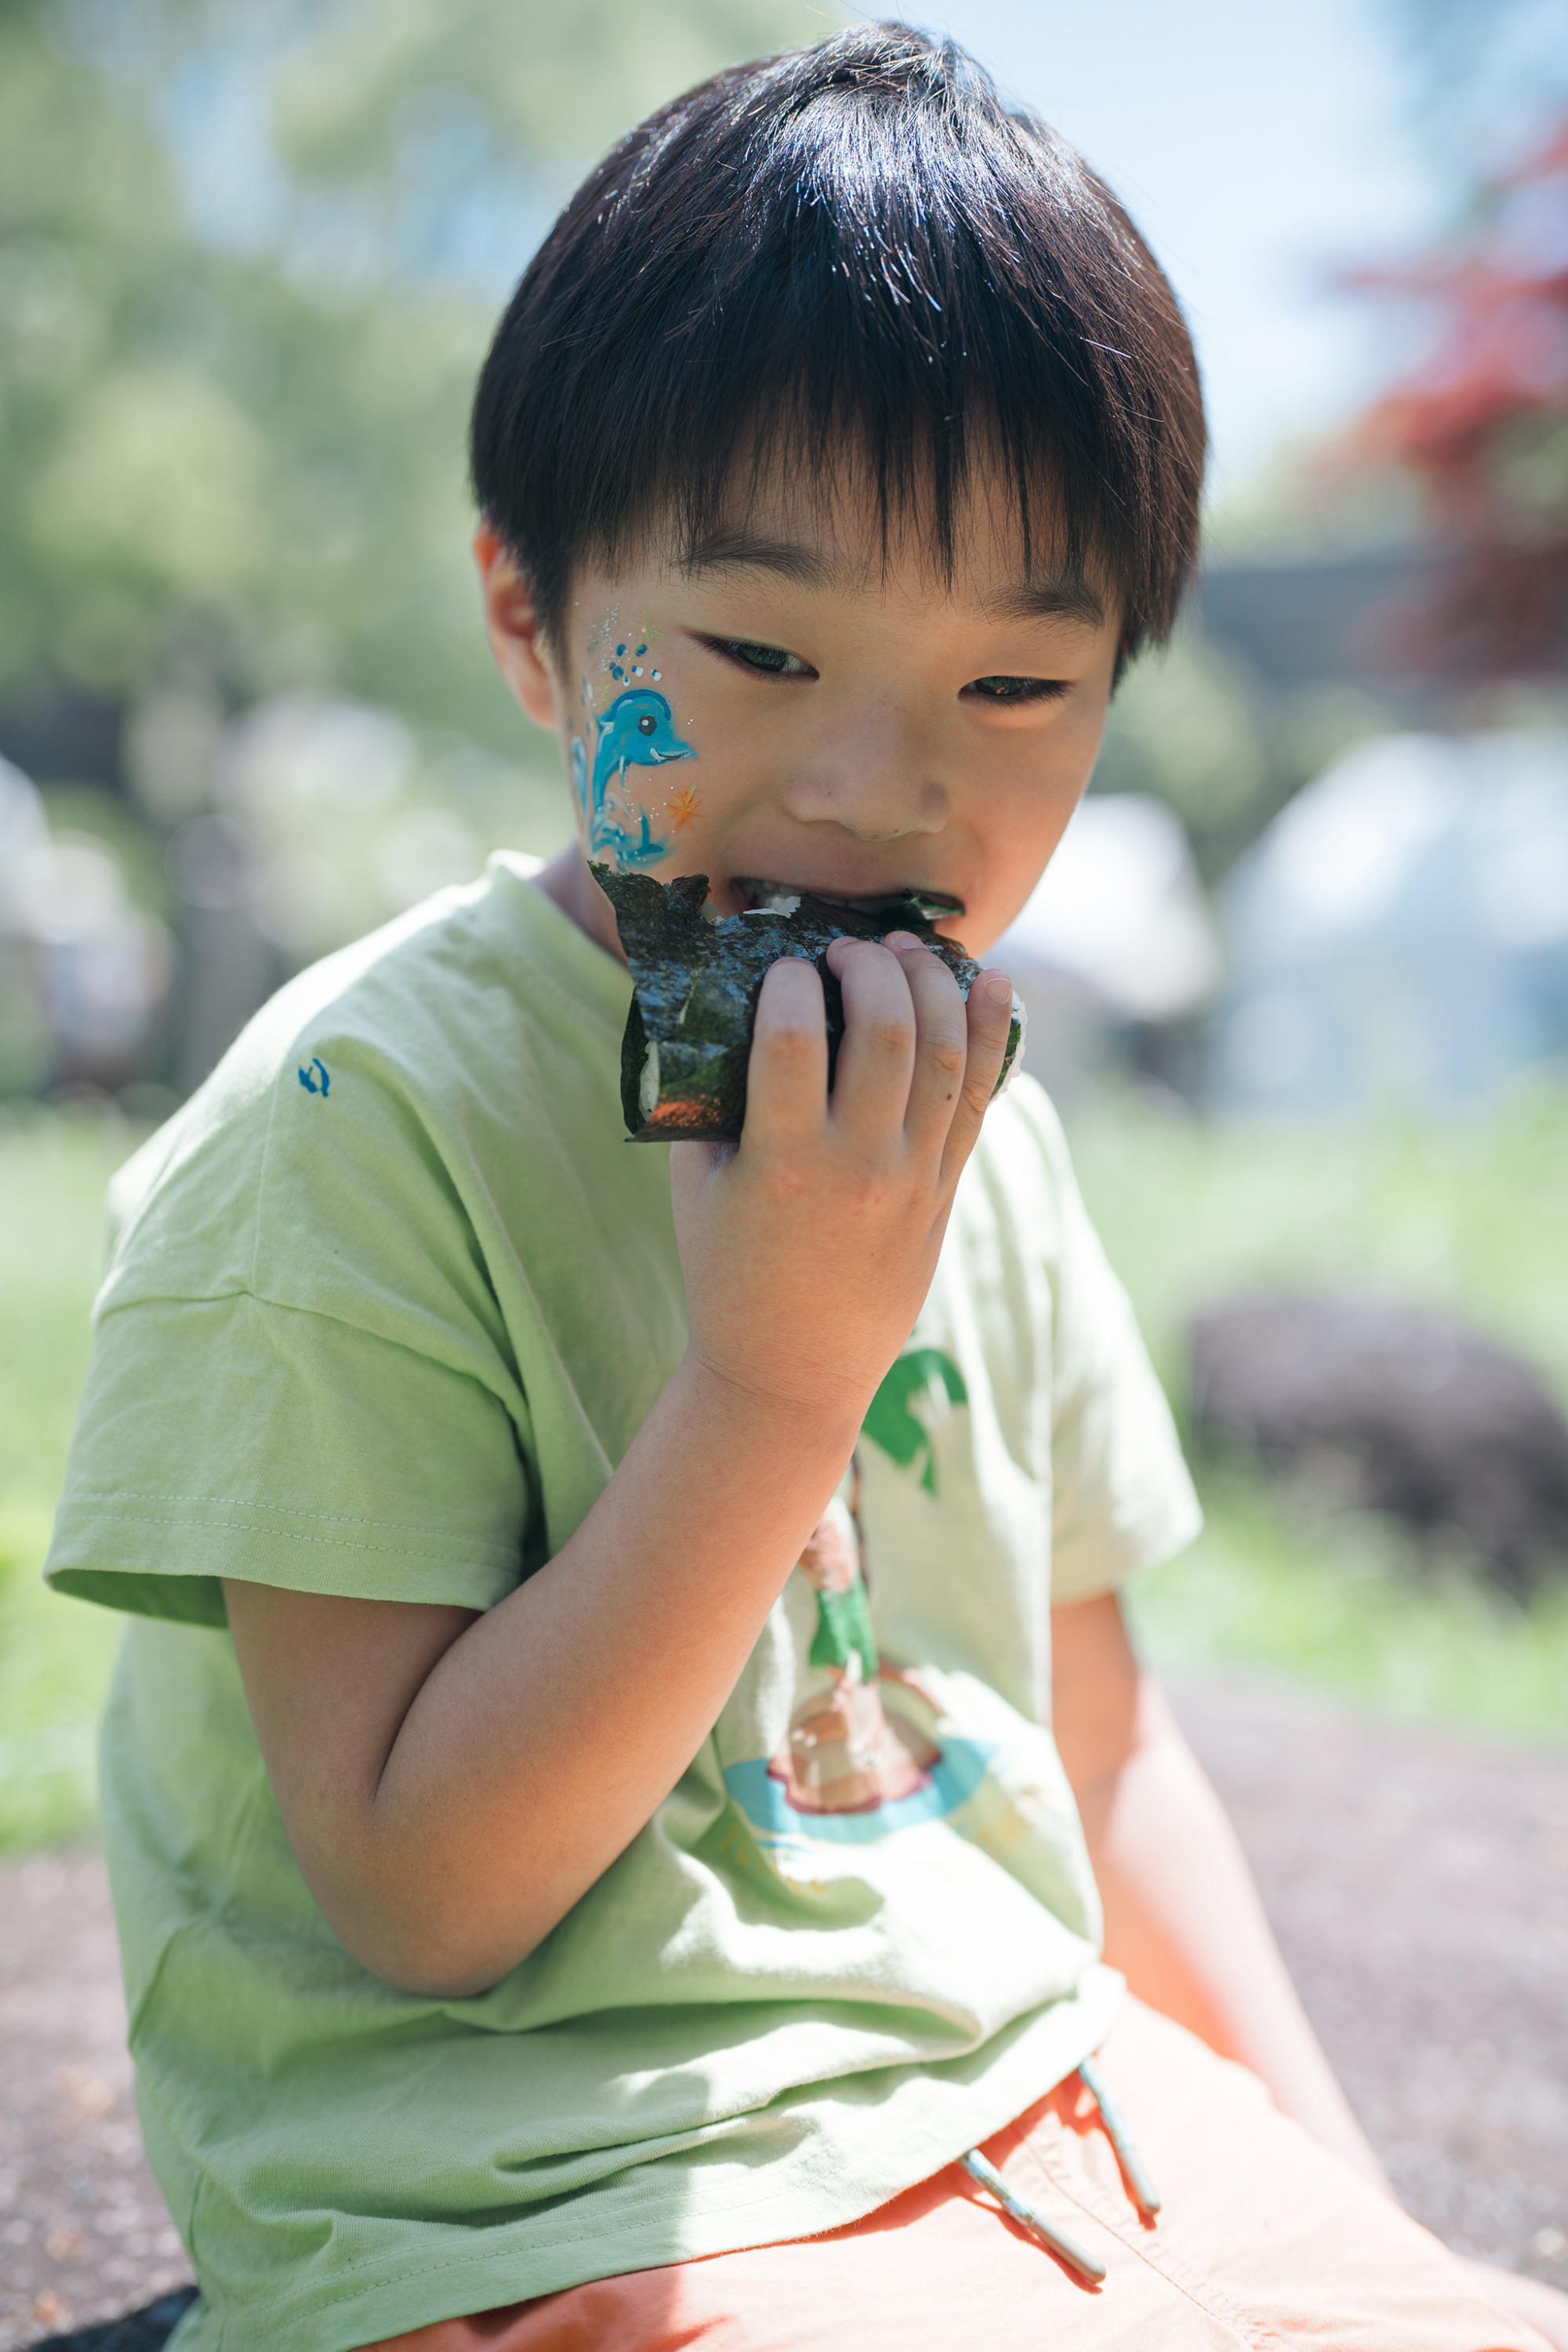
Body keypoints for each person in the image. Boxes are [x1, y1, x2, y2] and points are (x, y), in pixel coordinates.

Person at [44, 27, 1568, 2352]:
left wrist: (1365, 2231)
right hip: (550, 2190)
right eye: (764, 652)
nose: (876, 786)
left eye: (1018, 686)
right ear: (532, 624)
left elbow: (1107, 1753)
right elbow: (423, 1895)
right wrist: (776, 1382)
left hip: (1041, 2112)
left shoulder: (992, 1130)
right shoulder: (351, 1124)